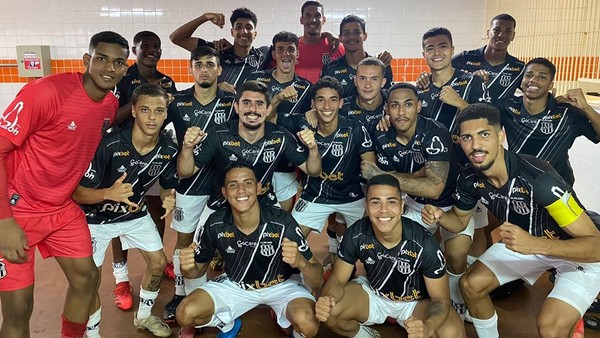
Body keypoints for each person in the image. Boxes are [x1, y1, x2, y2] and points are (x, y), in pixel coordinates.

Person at [422, 103, 600, 338]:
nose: (475, 145)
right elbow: (459, 221)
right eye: (467, 137)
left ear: (500, 136)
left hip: (577, 250)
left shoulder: (538, 178)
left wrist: (534, 245)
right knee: (470, 285)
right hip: (527, 244)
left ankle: (572, 317)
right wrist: (441, 217)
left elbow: (596, 246)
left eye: (483, 135)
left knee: (551, 329)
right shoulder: (470, 179)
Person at [0, 31, 129, 338]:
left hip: (61, 208)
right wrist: (4, 222)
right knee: (19, 308)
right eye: (101, 59)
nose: (109, 68)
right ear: (87, 60)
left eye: (118, 62)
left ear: (126, 69)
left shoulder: (109, 105)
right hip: (19, 210)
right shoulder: (45, 92)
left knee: (87, 279)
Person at [73, 84, 178, 338]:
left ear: (166, 114)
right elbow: (78, 192)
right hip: (94, 219)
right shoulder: (109, 144)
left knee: (157, 262)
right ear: (133, 111)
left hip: (135, 215)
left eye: (158, 110)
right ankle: (93, 332)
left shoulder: (168, 149)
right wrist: (108, 193)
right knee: (89, 280)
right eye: (145, 109)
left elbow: (166, 187)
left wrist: (168, 199)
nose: (152, 117)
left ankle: (143, 316)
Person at [175, 162, 323, 338]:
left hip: (281, 286)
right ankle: (229, 325)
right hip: (236, 284)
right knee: (184, 314)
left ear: (259, 188)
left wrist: (301, 262)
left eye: (248, 183)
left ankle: (293, 330)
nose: (241, 190)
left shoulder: (282, 222)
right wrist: (187, 267)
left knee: (308, 325)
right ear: (224, 192)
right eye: (233, 185)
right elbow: (195, 272)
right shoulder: (215, 223)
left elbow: (318, 279)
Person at [315, 174, 465, 338]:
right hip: (375, 293)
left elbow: (440, 299)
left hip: (415, 302)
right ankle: (366, 336)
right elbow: (337, 279)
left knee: (452, 333)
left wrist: (428, 326)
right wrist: (327, 298)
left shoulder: (424, 243)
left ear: (401, 206)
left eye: (391, 202)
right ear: (367, 206)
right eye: (376, 202)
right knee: (330, 311)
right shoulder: (355, 234)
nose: (383, 209)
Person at [163, 45, 236, 325]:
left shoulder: (231, 102)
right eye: (199, 64)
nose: (204, 69)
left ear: (219, 69)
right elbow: (159, 137)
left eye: (210, 64)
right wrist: (169, 183)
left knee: (223, 241)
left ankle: (226, 293)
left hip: (221, 188)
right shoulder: (177, 102)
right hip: (189, 187)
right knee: (184, 244)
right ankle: (181, 294)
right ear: (191, 69)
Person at [109, 30, 178, 313]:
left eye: (157, 47)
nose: (153, 50)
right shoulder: (123, 79)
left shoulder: (167, 81)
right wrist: (141, 102)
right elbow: (111, 117)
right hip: (122, 156)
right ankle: (121, 279)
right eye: (146, 46)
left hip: (154, 155)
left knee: (157, 208)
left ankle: (156, 259)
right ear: (134, 50)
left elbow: (171, 117)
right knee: (115, 214)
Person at [177, 80, 322, 211]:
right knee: (203, 240)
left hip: (265, 203)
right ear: (236, 107)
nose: (252, 109)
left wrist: (313, 148)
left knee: (286, 239)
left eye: (259, 104)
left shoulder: (281, 136)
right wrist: (187, 147)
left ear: (268, 109)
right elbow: (185, 172)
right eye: (246, 103)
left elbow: (313, 171)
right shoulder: (218, 134)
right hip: (221, 204)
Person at [283, 76, 375, 240]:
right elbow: (269, 118)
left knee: (369, 243)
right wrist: (278, 98)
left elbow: (371, 168)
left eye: (333, 100)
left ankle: (339, 256)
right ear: (313, 104)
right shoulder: (302, 123)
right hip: (314, 196)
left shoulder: (355, 128)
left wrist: (372, 200)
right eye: (320, 100)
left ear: (341, 103)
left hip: (352, 197)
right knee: (290, 241)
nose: (326, 106)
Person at [494, 57, 600, 186]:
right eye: (529, 75)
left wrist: (587, 108)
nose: (533, 80)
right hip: (520, 183)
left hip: (558, 186)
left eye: (542, 77)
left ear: (550, 85)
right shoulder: (507, 107)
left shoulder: (567, 113)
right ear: (521, 81)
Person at [246, 31, 312, 213]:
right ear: (273, 54)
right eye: (280, 49)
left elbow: (307, 122)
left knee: (282, 217)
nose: (286, 54)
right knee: (252, 214)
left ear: (297, 55)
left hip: (286, 163)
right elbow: (252, 118)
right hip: (254, 159)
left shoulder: (306, 88)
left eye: (291, 49)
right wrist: (277, 99)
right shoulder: (257, 80)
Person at [169, 7, 271, 94]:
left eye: (249, 28)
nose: (244, 31)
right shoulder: (216, 51)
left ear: (255, 34)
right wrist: (205, 17)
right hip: (218, 113)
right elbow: (176, 38)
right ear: (232, 32)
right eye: (239, 27)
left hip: (247, 114)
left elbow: (284, 50)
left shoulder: (263, 54)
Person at [320, 14, 393, 98]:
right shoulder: (330, 70)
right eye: (347, 33)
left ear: (365, 36)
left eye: (357, 32)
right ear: (340, 38)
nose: (352, 37)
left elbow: (389, 99)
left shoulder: (381, 65)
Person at [296, 0, 345, 83]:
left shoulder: (335, 46)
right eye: (308, 15)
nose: (313, 20)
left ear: (324, 20)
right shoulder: (293, 49)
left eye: (317, 15)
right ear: (302, 20)